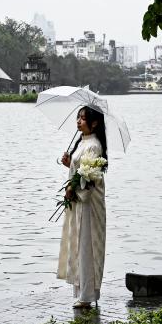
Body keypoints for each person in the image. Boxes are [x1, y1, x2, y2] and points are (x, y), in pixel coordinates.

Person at [57, 106, 107, 309]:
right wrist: (69, 164)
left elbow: (89, 178)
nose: (78, 121)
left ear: (94, 123)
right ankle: (83, 292)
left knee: (87, 244)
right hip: (79, 201)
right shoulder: (83, 143)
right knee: (79, 243)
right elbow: (81, 170)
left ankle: (87, 294)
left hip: (87, 203)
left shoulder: (94, 145)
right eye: (77, 117)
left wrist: (72, 187)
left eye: (83, 118)